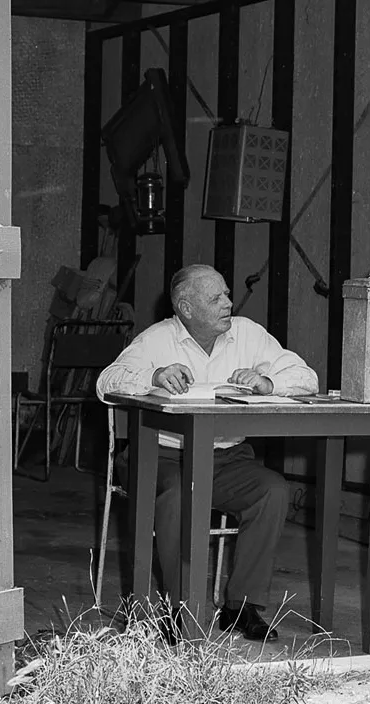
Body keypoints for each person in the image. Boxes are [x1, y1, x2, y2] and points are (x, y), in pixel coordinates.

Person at [95, 264, 318, 641]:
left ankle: (241, 607)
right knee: (178, 496)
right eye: (216, 298)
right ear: (186, 307)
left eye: (227, 294)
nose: (228, 303)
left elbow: (306, 377)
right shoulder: (157, 340)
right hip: (161, 457)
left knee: (272, 491)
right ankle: (178, 608)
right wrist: (153, 376)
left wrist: (269, 382)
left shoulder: (248, 334)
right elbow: (106, 382)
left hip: (225, 459)